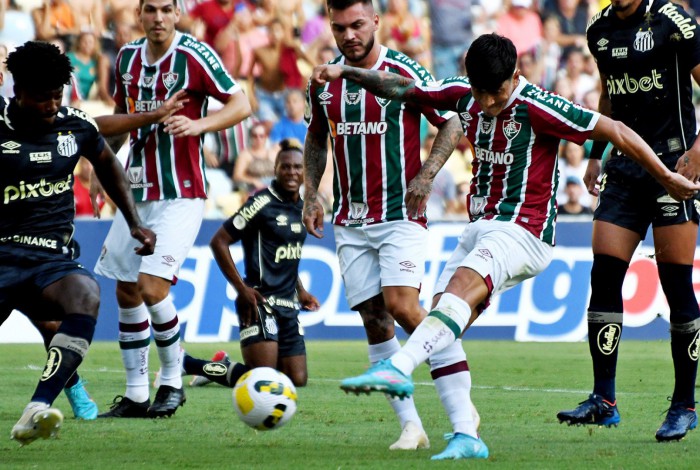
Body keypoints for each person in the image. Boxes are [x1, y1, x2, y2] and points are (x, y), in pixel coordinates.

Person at [310, 33, 700, 459]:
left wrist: (665, 176)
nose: (488, 103)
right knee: (443, 320)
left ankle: (397, 368)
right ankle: (466, 435)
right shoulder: (465, 96)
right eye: (480, 92)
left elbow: (617, 130)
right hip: (481, 228)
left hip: (523, 231)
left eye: (495, 93)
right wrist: (347, 71)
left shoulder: (540, 106)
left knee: (456, 291)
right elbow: (403, 88)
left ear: (515, 76)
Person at [303, 0, 464, 452]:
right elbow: (317, 136)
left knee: (405, 308)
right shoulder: (324, 82)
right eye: (339, 28)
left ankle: (462, 417)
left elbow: (451, 120)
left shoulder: (404, 70)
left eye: (357, 25)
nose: (349, 35)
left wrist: (428, 173)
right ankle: (411, 428)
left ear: (376, 21)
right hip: (351, 220)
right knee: (375, 320)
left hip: (400, 214)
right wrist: (311, 192)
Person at [94, 0, 251, 419]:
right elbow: (120, 119)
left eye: (166, 9)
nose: (159, 18)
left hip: (182, 192)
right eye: (151, 10)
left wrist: (199, 125)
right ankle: (135, 394)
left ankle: (172, 383)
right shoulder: (127, 57)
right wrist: (101, 170)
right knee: (125, 290)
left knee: (151, 288)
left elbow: (242, 104)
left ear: (177, 14)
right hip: (134, 191)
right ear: (140, 15)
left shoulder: (195, 55)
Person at [557, 0, 700, 442]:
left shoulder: (674, 22)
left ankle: (684, 405)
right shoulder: (599, 29)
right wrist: (599, 155)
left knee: (676, 285)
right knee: (604, 274)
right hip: (624, 169)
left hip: (674, 167)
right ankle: (604, 400)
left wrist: (697, 152)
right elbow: (610, 97)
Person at [0, 41, 155, 446]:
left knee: (86, 295)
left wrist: (134, 221)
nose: (53, 105)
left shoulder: (76, 125)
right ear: (18, 93)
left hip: (50, 260)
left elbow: (107, 162)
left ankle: (37, 408)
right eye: (42, 98)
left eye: (58, 95)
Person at [164, 139, 320, 388]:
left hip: (288, 304)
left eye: (297, 167)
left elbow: (287, 254)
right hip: (259, 301)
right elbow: (219, 242)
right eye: (285, 167)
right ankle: (190, 363)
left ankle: (225, 366)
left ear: (305, 172)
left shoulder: (302, 209)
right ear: (275, 169)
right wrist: (242, 289)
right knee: (263, 379)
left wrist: (300, 291)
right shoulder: (260, 204)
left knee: (297, 380)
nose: (292, 172)